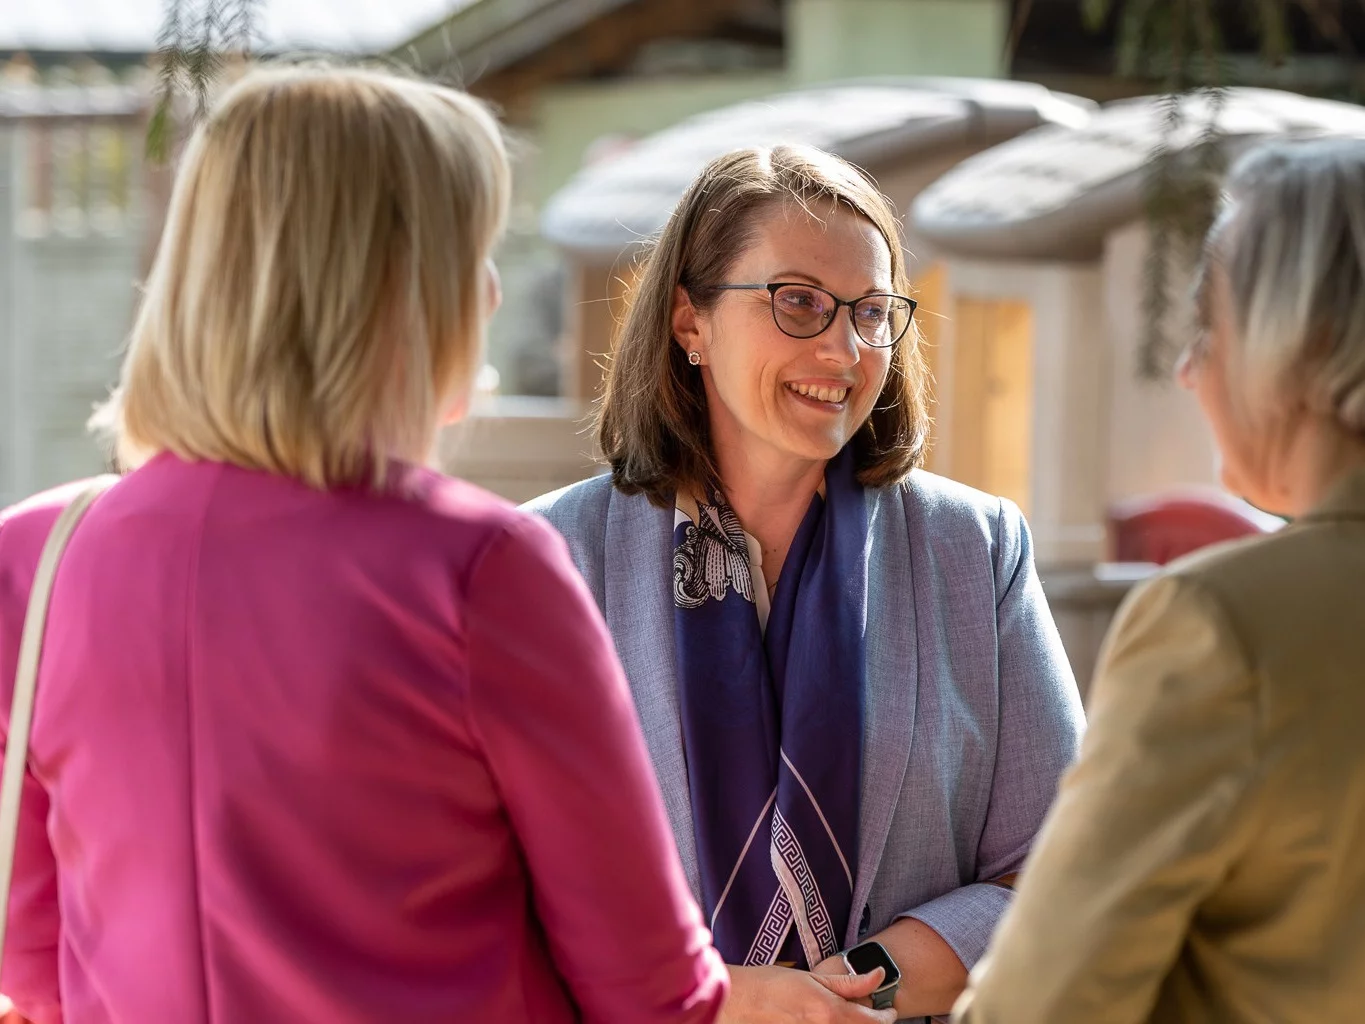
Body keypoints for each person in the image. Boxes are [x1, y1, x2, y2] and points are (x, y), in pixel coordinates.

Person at [0, 65, 728, 1024]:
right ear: (400, 288)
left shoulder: (33, 560)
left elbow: (35, 955)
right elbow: (649, 991)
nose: (495, 287)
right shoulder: (479, 569)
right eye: (470, 247)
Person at [525, 144, 1085, 1022]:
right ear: (688, 322)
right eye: (797, 302)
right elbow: (494, 884)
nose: (843, 346)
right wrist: (721, 1001)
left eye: (870, 311)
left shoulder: (974, 550)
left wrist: (857, 984)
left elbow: (1062, 869)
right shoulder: (549, 558)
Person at [951, 137, 1365, 1023]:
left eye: (1206, 330)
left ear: (1301, 336)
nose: (1189, 370)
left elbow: (1042, 1004)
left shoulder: (1221, 625)